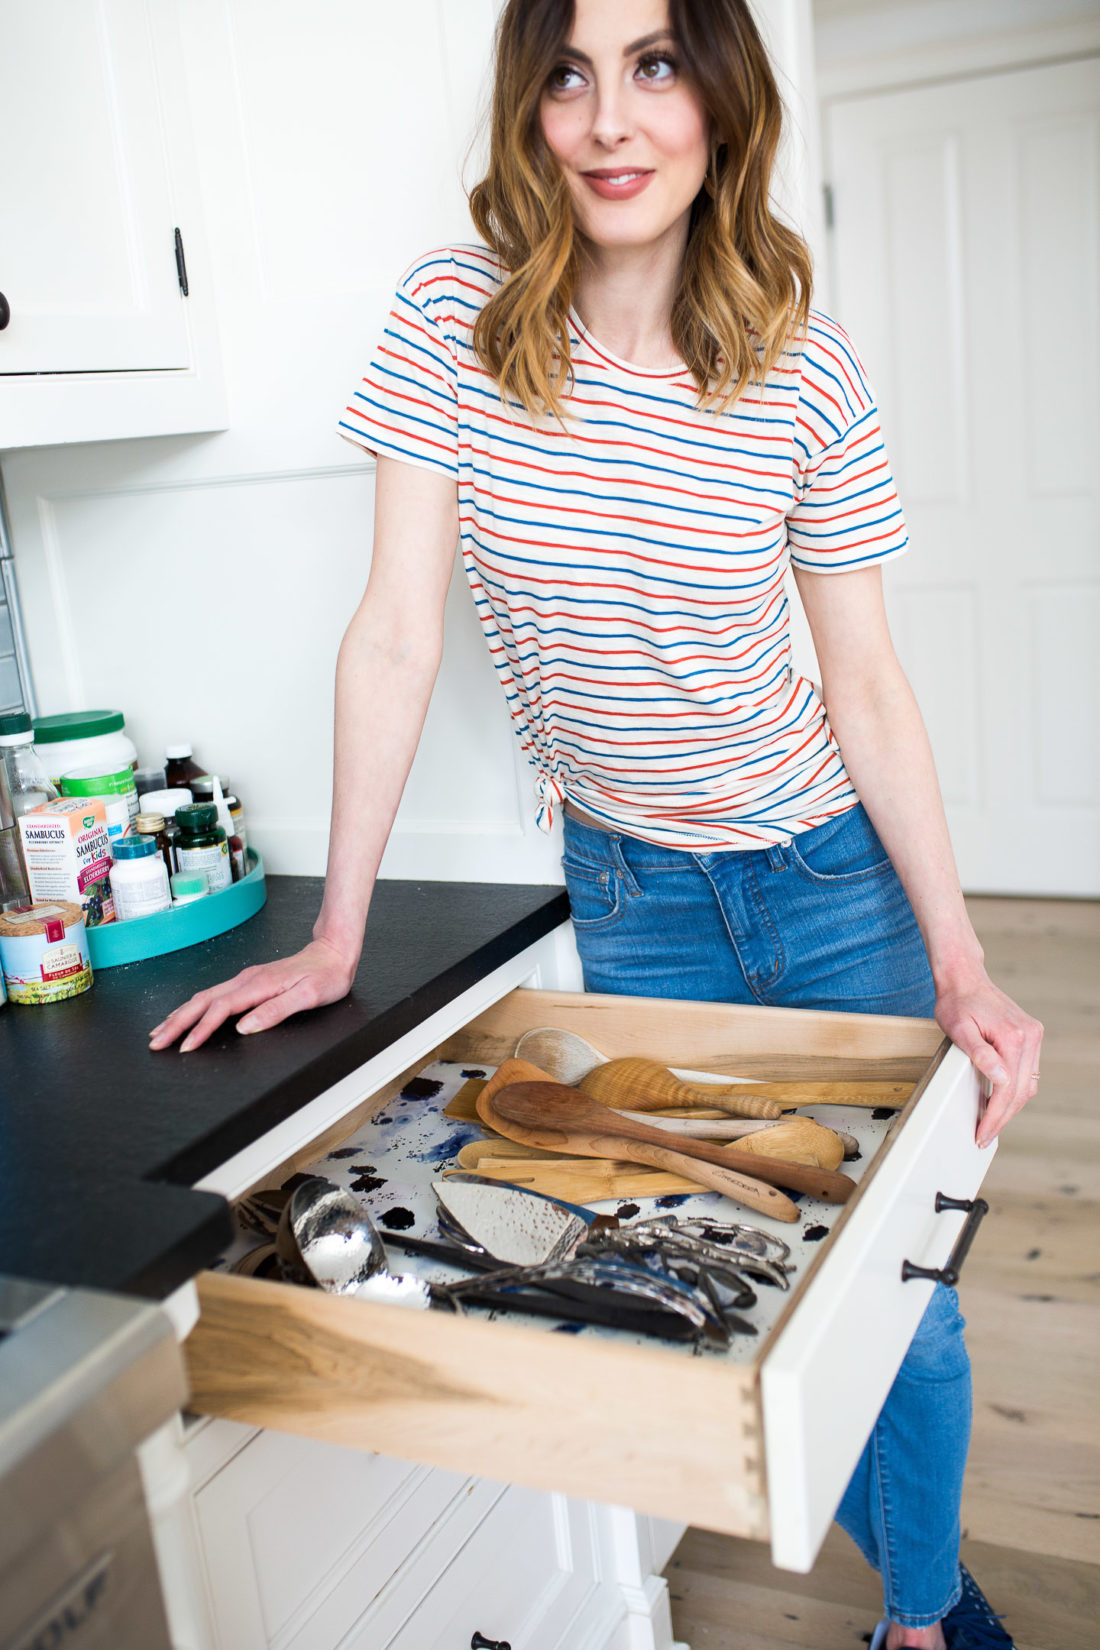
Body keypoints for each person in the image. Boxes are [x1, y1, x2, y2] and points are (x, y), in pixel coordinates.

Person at [151, 1, 1043, 1643]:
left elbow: (868, 685)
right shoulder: (454, 322)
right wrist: (337, 929)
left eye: (654, 66)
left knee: (899, 1302)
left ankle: (924, 1616)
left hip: (828, 878)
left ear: (720, 101)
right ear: (529, 110)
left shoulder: (804, 365)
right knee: (712, 1276)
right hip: (633, 899)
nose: (611, 119)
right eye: (568, 72)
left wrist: (963, 959)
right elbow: (397, 630)